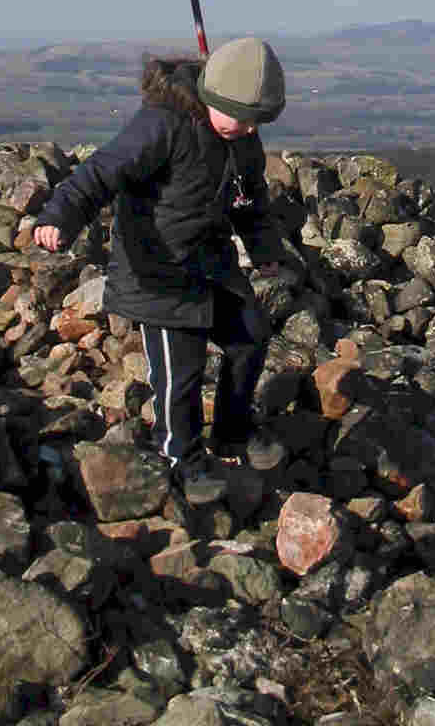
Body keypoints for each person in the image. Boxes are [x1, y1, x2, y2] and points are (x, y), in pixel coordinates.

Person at [32, 37, 288, 477]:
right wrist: (61, 216)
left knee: (250, 337)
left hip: (211, 263)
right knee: (180, 374)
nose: (249, 129)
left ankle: (231, 430)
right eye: (242, 118)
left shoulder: (242, 139)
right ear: (213, 95)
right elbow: (101, 171)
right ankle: (180, 458)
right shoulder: (162, 125)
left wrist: (264, 247)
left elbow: (251, 198)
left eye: (257, 122)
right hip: (158, 272)